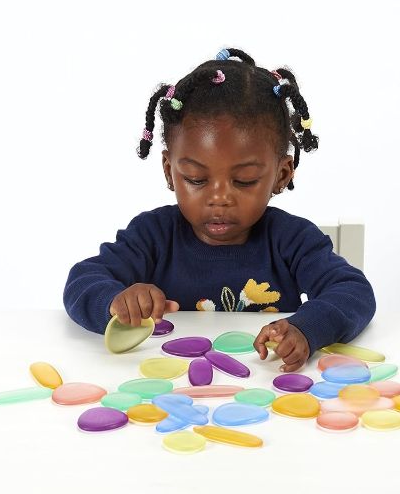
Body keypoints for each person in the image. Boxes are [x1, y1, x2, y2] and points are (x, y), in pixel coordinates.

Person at [63, 48, 376, 372]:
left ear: (281, 174)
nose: (220, 198)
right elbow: (82, 281)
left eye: (244, 181)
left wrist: (306, 328)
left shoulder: (292, 240)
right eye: (196, 179)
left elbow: (353, 292)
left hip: (268, 392)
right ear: (170, 171)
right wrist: (116, 301)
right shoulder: (152, 236)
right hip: (169, 392)